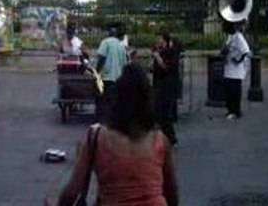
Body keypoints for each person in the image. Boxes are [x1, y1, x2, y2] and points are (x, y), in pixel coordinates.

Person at [57, 64, 179, 206]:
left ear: (117, 99)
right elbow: (171, 193)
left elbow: (72, 191)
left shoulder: (96, 137)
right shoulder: (160, 141)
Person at [152, 30, 179, 146]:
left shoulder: (170, 52)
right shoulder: (161, 52)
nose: (158, 42)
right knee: (159, 112)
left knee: (165, 114)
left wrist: (157, 56)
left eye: (160, 39)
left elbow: (165, 67)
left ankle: (171, 138)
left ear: (165, 41)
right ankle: (164, 137)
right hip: (159, 85)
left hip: (167, 86)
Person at [95, 22, 127, 122]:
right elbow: (124, 63)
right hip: (117, 78)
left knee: (102, 99)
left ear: (109, 33)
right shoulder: (121, 46)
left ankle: (102, 120)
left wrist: (97, 71)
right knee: (113, 101)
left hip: (106, 77)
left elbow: (102, 57)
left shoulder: (105, 42)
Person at [220, 20, 251, 120]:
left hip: (237, 71)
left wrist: (238, 60)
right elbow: (225, 50)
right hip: (228, 69)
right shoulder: (229, 37)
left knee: (234, 92)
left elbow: (246, 51)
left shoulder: (239, 37)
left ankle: (236, 111)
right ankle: (230, 110)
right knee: (228, 91)